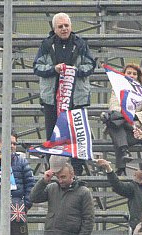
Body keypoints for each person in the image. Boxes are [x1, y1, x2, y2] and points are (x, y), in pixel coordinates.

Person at [33, 12, 96, 175]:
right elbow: (37, 67)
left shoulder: (81, 44)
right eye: (60, 26)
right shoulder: (46, 45)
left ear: (71, 26)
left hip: (76, 98)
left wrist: (75, 71)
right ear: (54, 29)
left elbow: (90, 65)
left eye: (66, 25)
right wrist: (53, 70)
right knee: (53, 134)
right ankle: (52, 168)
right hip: (52, 100)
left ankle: (77, 168)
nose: (64, 29)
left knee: (77, 135)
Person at [103, 64, 142, 175]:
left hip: (140, 130)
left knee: (113, 121)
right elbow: (114, 106)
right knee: (113, 121)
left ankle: (121, 168)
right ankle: (124, 152)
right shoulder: (117, 89)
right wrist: (125, 115)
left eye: (134, 74)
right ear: (124, 74)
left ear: (138, 77)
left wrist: (131, 116)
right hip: (123, 127)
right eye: (129, 73)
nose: (132, 75)